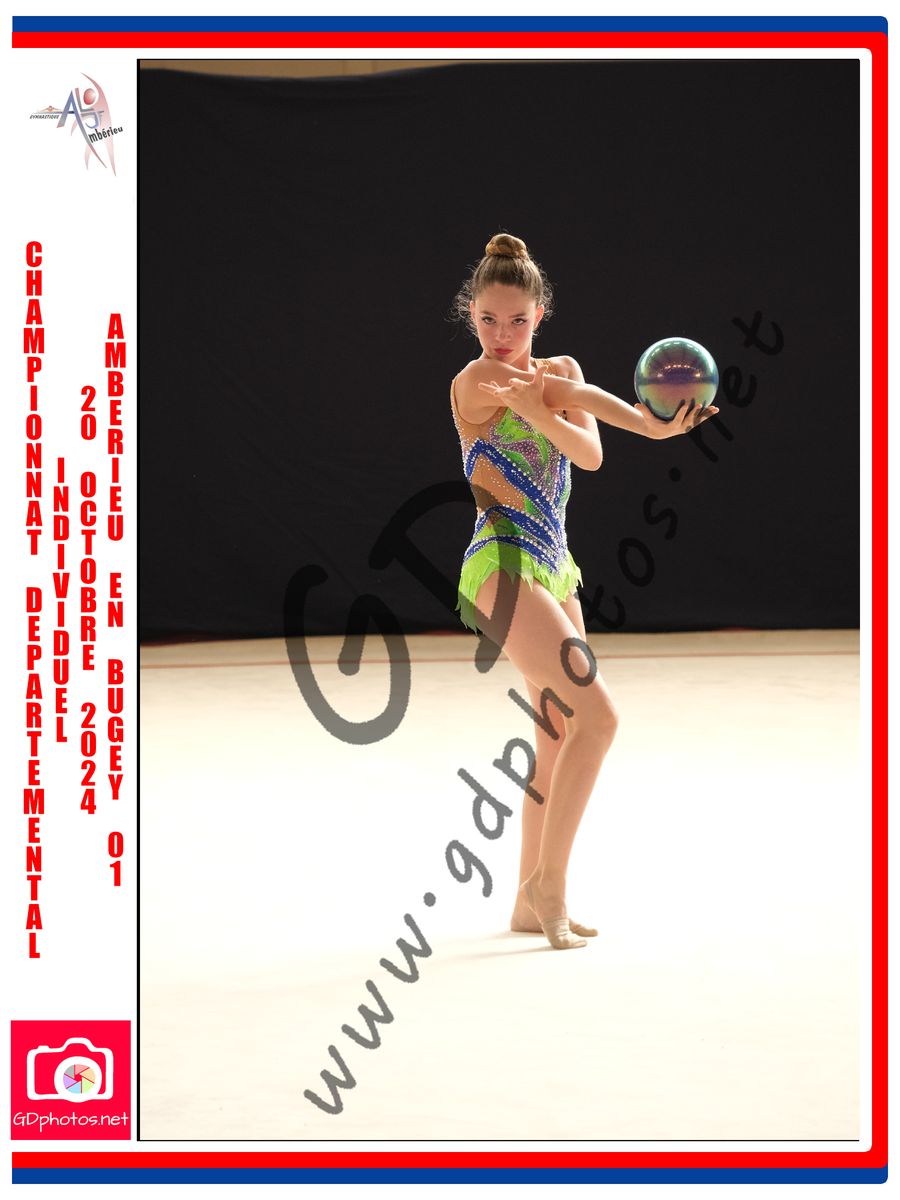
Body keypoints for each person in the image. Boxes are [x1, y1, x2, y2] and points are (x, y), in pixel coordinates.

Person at [449, 233, 718, 950]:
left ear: (539, 314)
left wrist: (644, 427)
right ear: (471, 314)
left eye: (517, 320)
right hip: (501, 564)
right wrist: (642, 425)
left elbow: (588, 450)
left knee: (559, 730)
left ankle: (525, 901)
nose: (502, 336)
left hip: (554, 566)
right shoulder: (475, 380)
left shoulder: (555, 371)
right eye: (488, 320)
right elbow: (569, 403)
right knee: (598, 718)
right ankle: (551, 885)